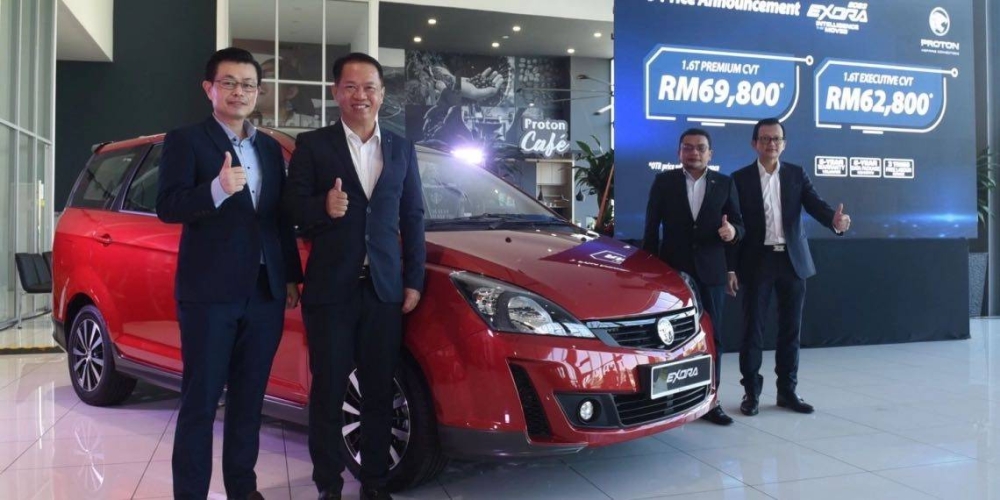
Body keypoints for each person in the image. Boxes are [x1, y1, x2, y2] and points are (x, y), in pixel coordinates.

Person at [156, 47, 303, 500]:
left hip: (265, 293)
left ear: (258, 93)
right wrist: (216, 190)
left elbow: (276, 218)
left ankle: (243, 489)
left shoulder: (267, 147)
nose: (239, 92)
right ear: (209, 89)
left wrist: (291, 276)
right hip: (210, 295)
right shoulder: (186, 141)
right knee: (200, 404)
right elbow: (168, 206)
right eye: (229, 83)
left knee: (249, 401)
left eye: (248, 85)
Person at [283, 52, 426, 500]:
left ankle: (375, 484)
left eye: (369, 87)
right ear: (335, 93)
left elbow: (413, 215)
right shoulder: (314, 145)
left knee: (379, 392)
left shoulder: (401, 148)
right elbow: (288, 210)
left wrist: (414, 279)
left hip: (384, 291)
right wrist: (323, 209)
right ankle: (328, 485)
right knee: (327, 392)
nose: (360, 95)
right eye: (350, 87)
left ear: (383, 94)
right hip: (331, 291)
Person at [731, 118, 851, 416]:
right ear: (754, 143)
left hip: (792, 262)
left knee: (790, 331)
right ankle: (751, 394)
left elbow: (816, 206)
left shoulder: (796, 174)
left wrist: (835, 223)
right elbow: (735, 226)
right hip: (756, 261)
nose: (771, 144)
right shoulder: (739, 178)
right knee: (752, 332)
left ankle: (787, 392)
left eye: (776, 139)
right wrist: (730, 267)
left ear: (783, 144)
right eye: (765, 139)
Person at [643, 128, 744, 426]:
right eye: (687, 147)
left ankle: (711, 401)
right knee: (668, 339)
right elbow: (651, 229)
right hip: (672, 273)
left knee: (713, 338)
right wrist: (649, 273)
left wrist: (733, 232)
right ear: (679, 152)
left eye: (700, 148)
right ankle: (669, 402)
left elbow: (740, 224)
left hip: (711, 271)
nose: (694, 152)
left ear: (710, 154)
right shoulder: (664, 182)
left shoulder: (725, 184)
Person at [253, 58, 320, 129]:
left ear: (290, 92)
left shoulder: (310, 126)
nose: (257, 83)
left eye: (269, 76)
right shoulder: (245, 124)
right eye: (257, 77)